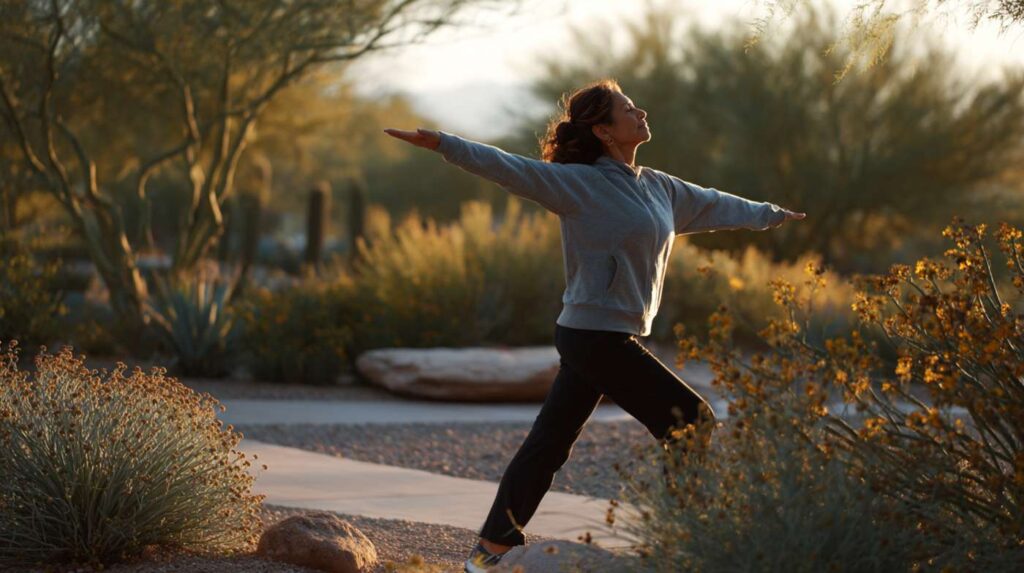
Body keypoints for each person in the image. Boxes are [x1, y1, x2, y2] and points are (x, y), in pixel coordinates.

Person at [383, 78, 806, 572]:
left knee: (549, 443)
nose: (641, 111)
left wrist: (771, 215)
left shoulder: (659, 187)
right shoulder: (578, 184)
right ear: (604, 131)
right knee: (691, 420)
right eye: (628, 108)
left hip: (608, 333)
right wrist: (444, 144)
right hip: (592, 334)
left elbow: (714, 203)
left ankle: (489, 551)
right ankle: (683, 541)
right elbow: (509, 168)